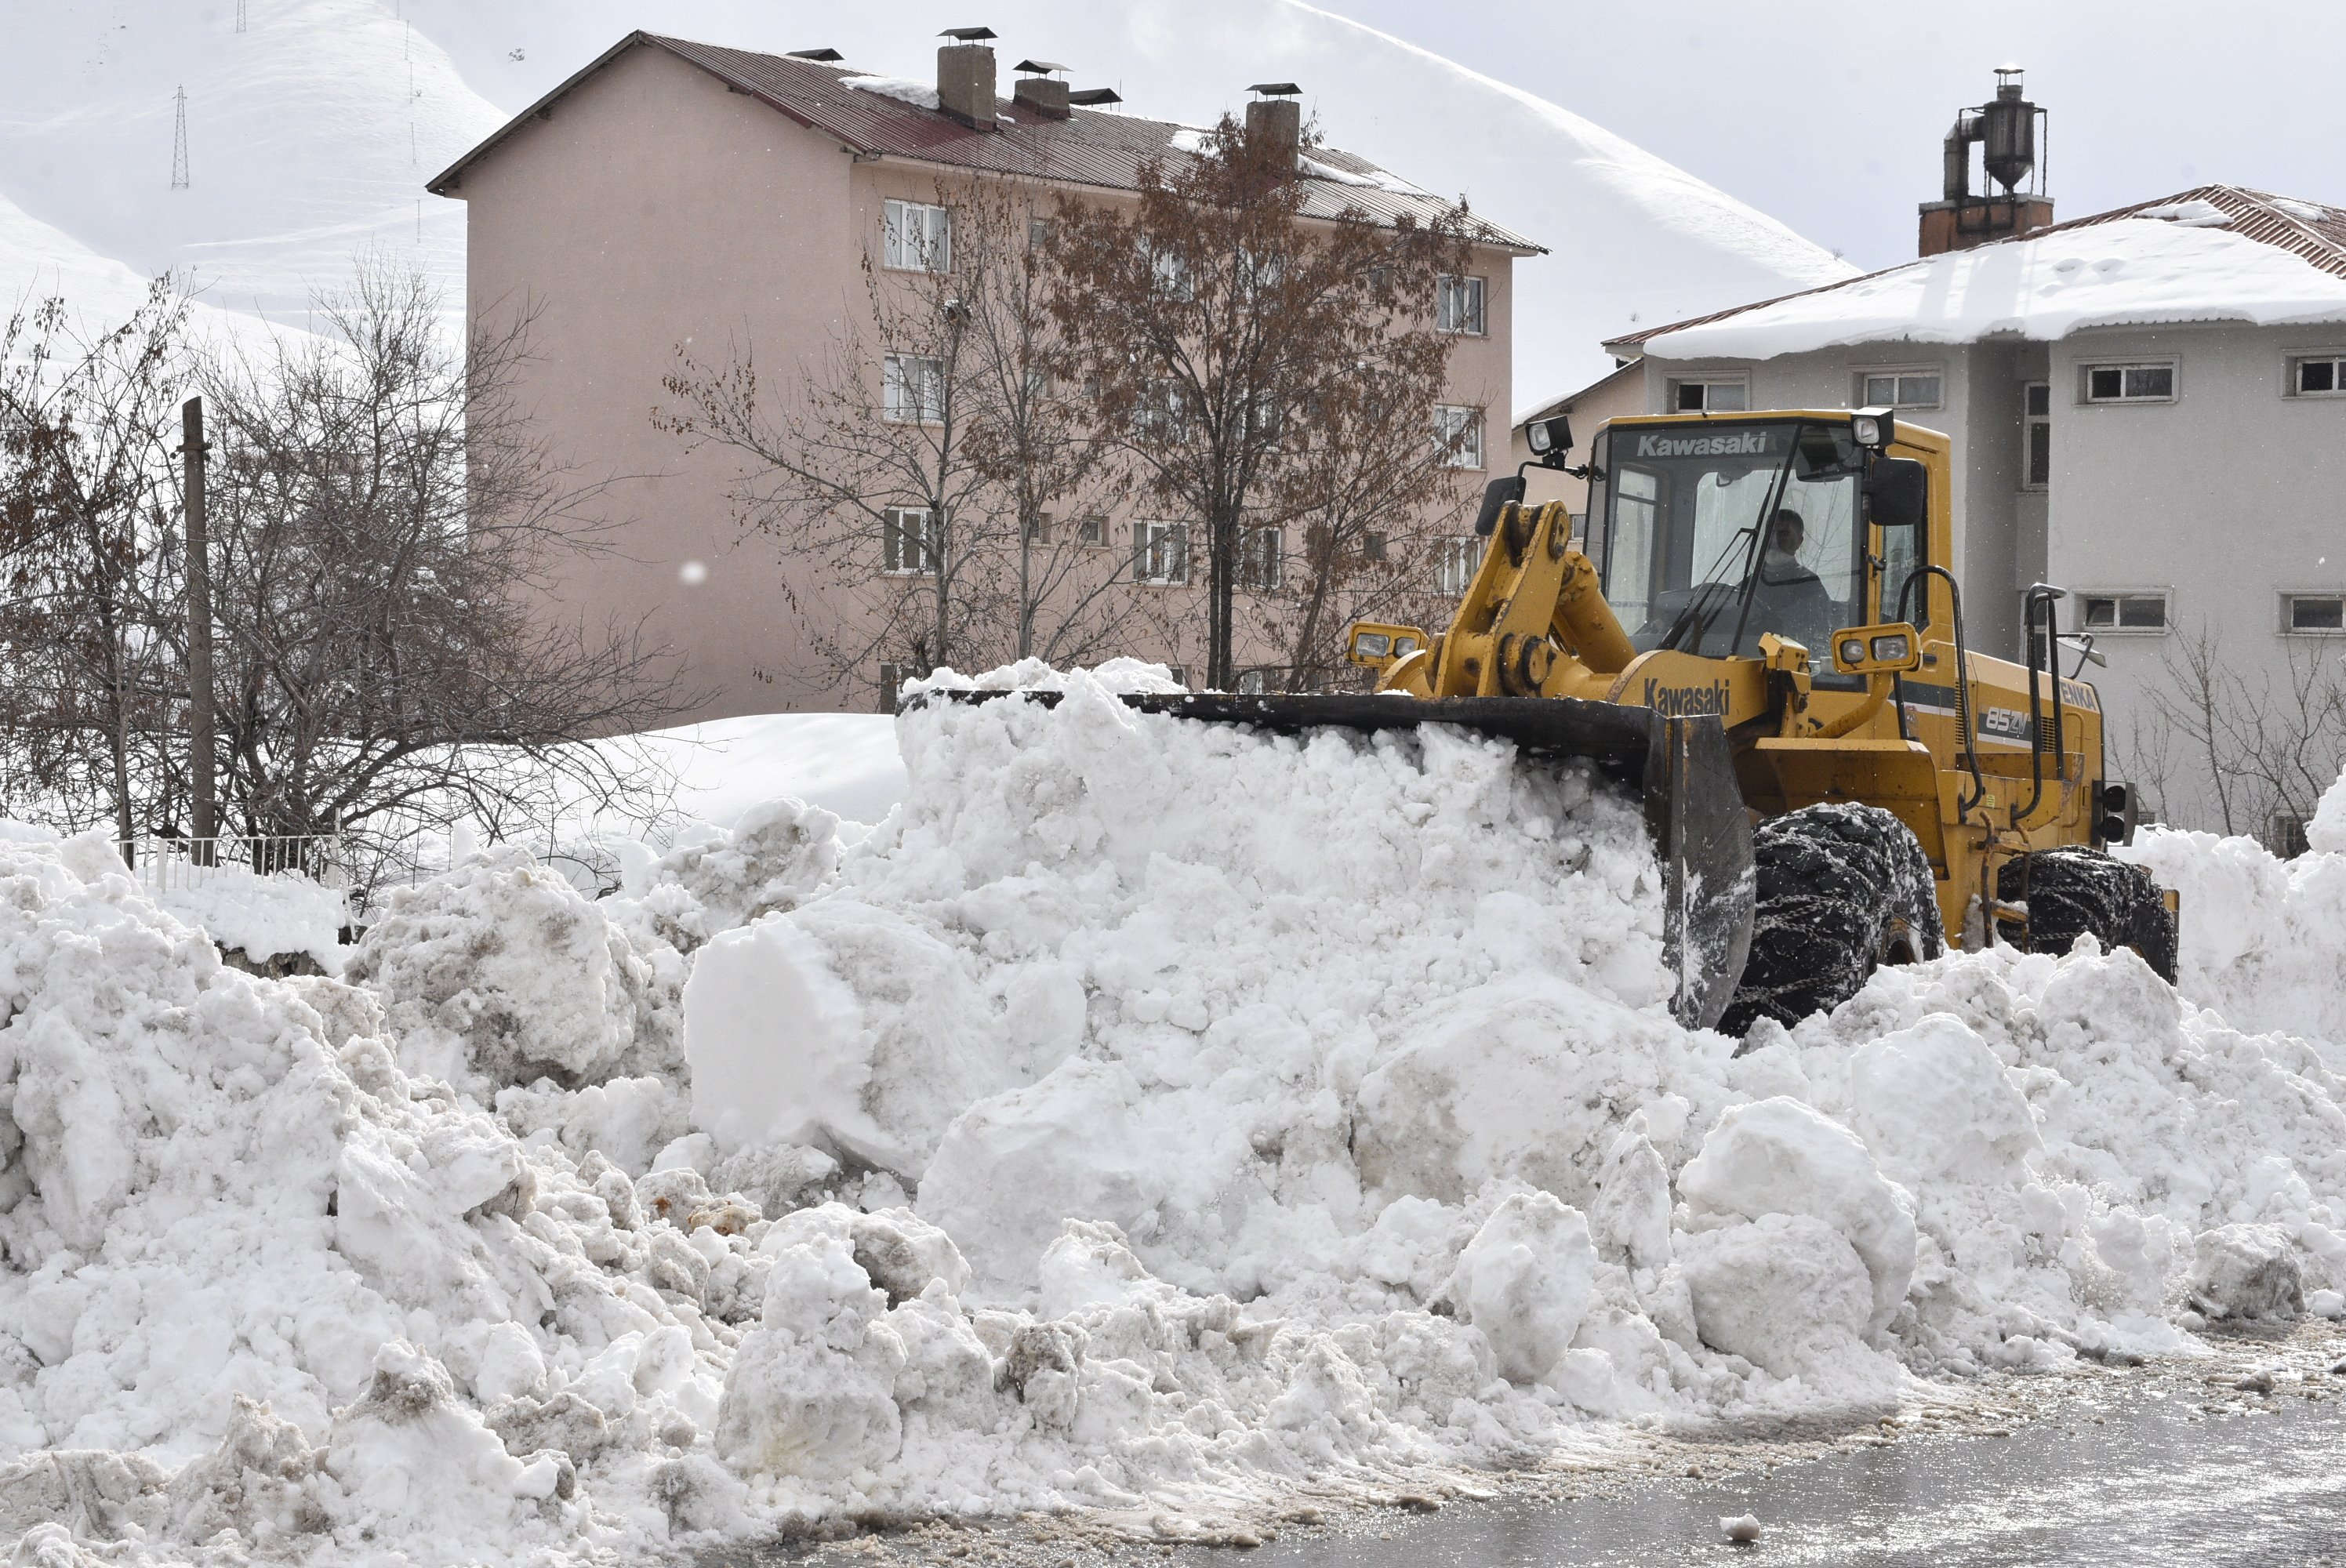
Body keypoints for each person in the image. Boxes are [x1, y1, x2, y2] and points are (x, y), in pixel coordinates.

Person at [1749, 508, 1834, 648]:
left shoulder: (1809, 585)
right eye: (1770, 533)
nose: (1773, 541)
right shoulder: (1747, 586)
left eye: (1783, 534)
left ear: (1799, 542)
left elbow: (1818, 640)